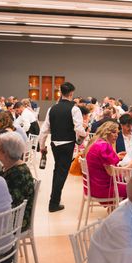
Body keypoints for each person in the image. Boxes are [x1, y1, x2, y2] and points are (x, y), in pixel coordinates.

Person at [39, 82, 87, 212]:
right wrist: (85, 133)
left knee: (57, 170)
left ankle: (55, 200)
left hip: (54, 144)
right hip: (67, 144)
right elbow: (78, 127)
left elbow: (44, 130)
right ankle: (53, 203)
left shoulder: (52, 109)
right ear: (71, 93)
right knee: (61, 173)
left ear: (61, 92)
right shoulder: (74, 109)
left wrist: (42, 146)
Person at [0, 132, 35, 231]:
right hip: (12, 216)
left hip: (16, 222)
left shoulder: (17, 174)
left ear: (6, 152)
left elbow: (10, 205)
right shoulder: (11, 166)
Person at [86, 121, 126, 201]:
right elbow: (111, 172)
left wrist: (116, 156)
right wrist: (130, 166)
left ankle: (117, 209)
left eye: (117, 133)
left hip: (93, 186)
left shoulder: (97, 142)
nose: (116, 135)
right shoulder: (104, 146)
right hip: (103, 189)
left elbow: (102, 162)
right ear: (106, 132)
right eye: (113, 132)